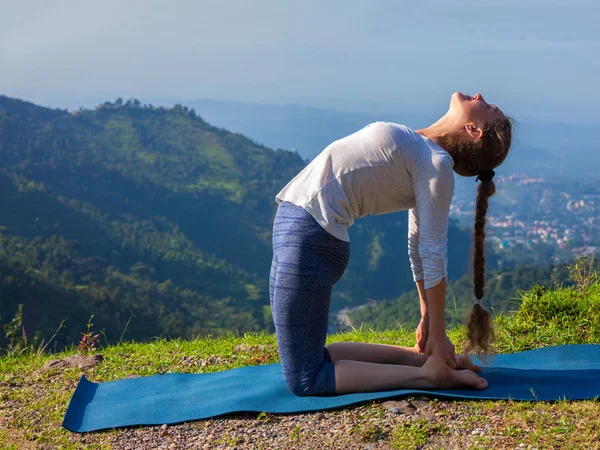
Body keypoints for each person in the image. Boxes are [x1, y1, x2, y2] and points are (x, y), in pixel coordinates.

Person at [269, 92, 513, 396]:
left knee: (306, 379)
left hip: (310, 238)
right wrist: (427, 319)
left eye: (487, 106)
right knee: (314, 358)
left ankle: (429, 377)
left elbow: (432, 250)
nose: (479, 96)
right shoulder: (425, 152)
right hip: (300, 231)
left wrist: (438, 332)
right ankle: (422, 361)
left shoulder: (435, 164)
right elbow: (415, 246)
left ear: (474, 130)